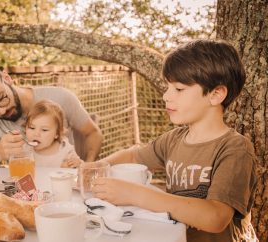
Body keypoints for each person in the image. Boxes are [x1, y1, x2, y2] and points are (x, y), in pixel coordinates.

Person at [91, 40, 257, 242]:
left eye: (178, 89)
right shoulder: (173, 139)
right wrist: (100, 165)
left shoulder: (235, 148)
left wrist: (136, 195)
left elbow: (216, 217)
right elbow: (134, 155)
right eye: (167, 87)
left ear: (216, 94)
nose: (165, 96)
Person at [0, 62, 102, 162]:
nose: (1, 110)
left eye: (1, 98)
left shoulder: (60, 97)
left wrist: (88, 167)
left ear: (7, 79)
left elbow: (93, 133)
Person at [25, 99, 83, 168]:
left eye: (44, 130)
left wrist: (76, 164)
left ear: (57, 134)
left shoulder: (66, 151)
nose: (36, 134)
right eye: (32, 128)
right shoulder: (24, 149)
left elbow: (81, 167)